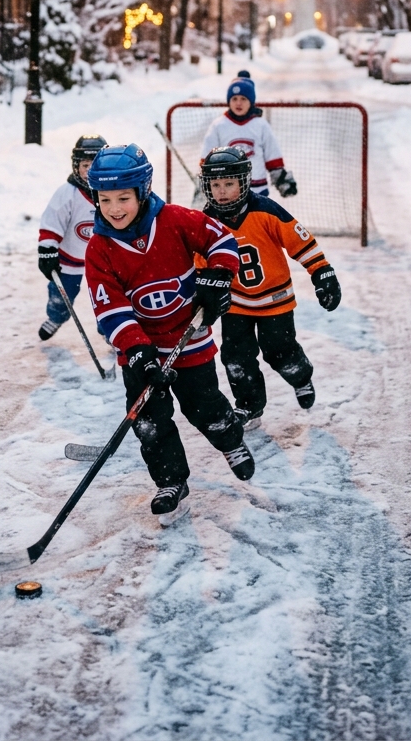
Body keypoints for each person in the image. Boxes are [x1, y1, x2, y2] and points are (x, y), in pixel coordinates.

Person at [85, 143, 254, 517]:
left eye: (123, 198)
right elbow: (109, 307)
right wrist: (138, 350)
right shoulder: (99, 248)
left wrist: (218, 278)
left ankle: (230, 440)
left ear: (142, 192)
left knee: (205, 407)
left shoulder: (176, 220)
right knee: (149, 423)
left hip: (188, 340)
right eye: (105, 199)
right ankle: (170, 481)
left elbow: (222, 240)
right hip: (140, 353)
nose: (114, 209)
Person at [200, 145, 341, 429]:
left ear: (244, 182)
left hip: (275, 299)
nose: (222, 191)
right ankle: (250, 407)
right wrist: (201, 293)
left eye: (229, 183)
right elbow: (199, 260)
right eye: (216, 185)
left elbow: (300, 241)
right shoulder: (206, 221)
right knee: (236, 358)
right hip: (236, 302)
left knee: (280, 351)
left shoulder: (265, 210)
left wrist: (322, 272)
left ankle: (300, 376)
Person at [37, 135, 109, 341]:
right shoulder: (67, 193)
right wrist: (47, 250)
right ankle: (56, 316)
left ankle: (110, 331)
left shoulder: (111, 192)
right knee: (61, 294)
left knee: (108, 297)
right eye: (85, 165)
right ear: (76, 166)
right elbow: (51, 223)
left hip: (104, 260)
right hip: (70, 259)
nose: (89, 171)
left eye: (95, 165)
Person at [199, 71, 297, 198]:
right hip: (227, 192)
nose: (238, 103)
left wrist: (281, 179)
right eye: (234, 99)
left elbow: (272, 155)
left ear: (251, 102)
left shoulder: (261, 125)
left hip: (258, 190)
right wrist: (205, 182)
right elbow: (207, 158)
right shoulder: (218, 126)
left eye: (243, 99)